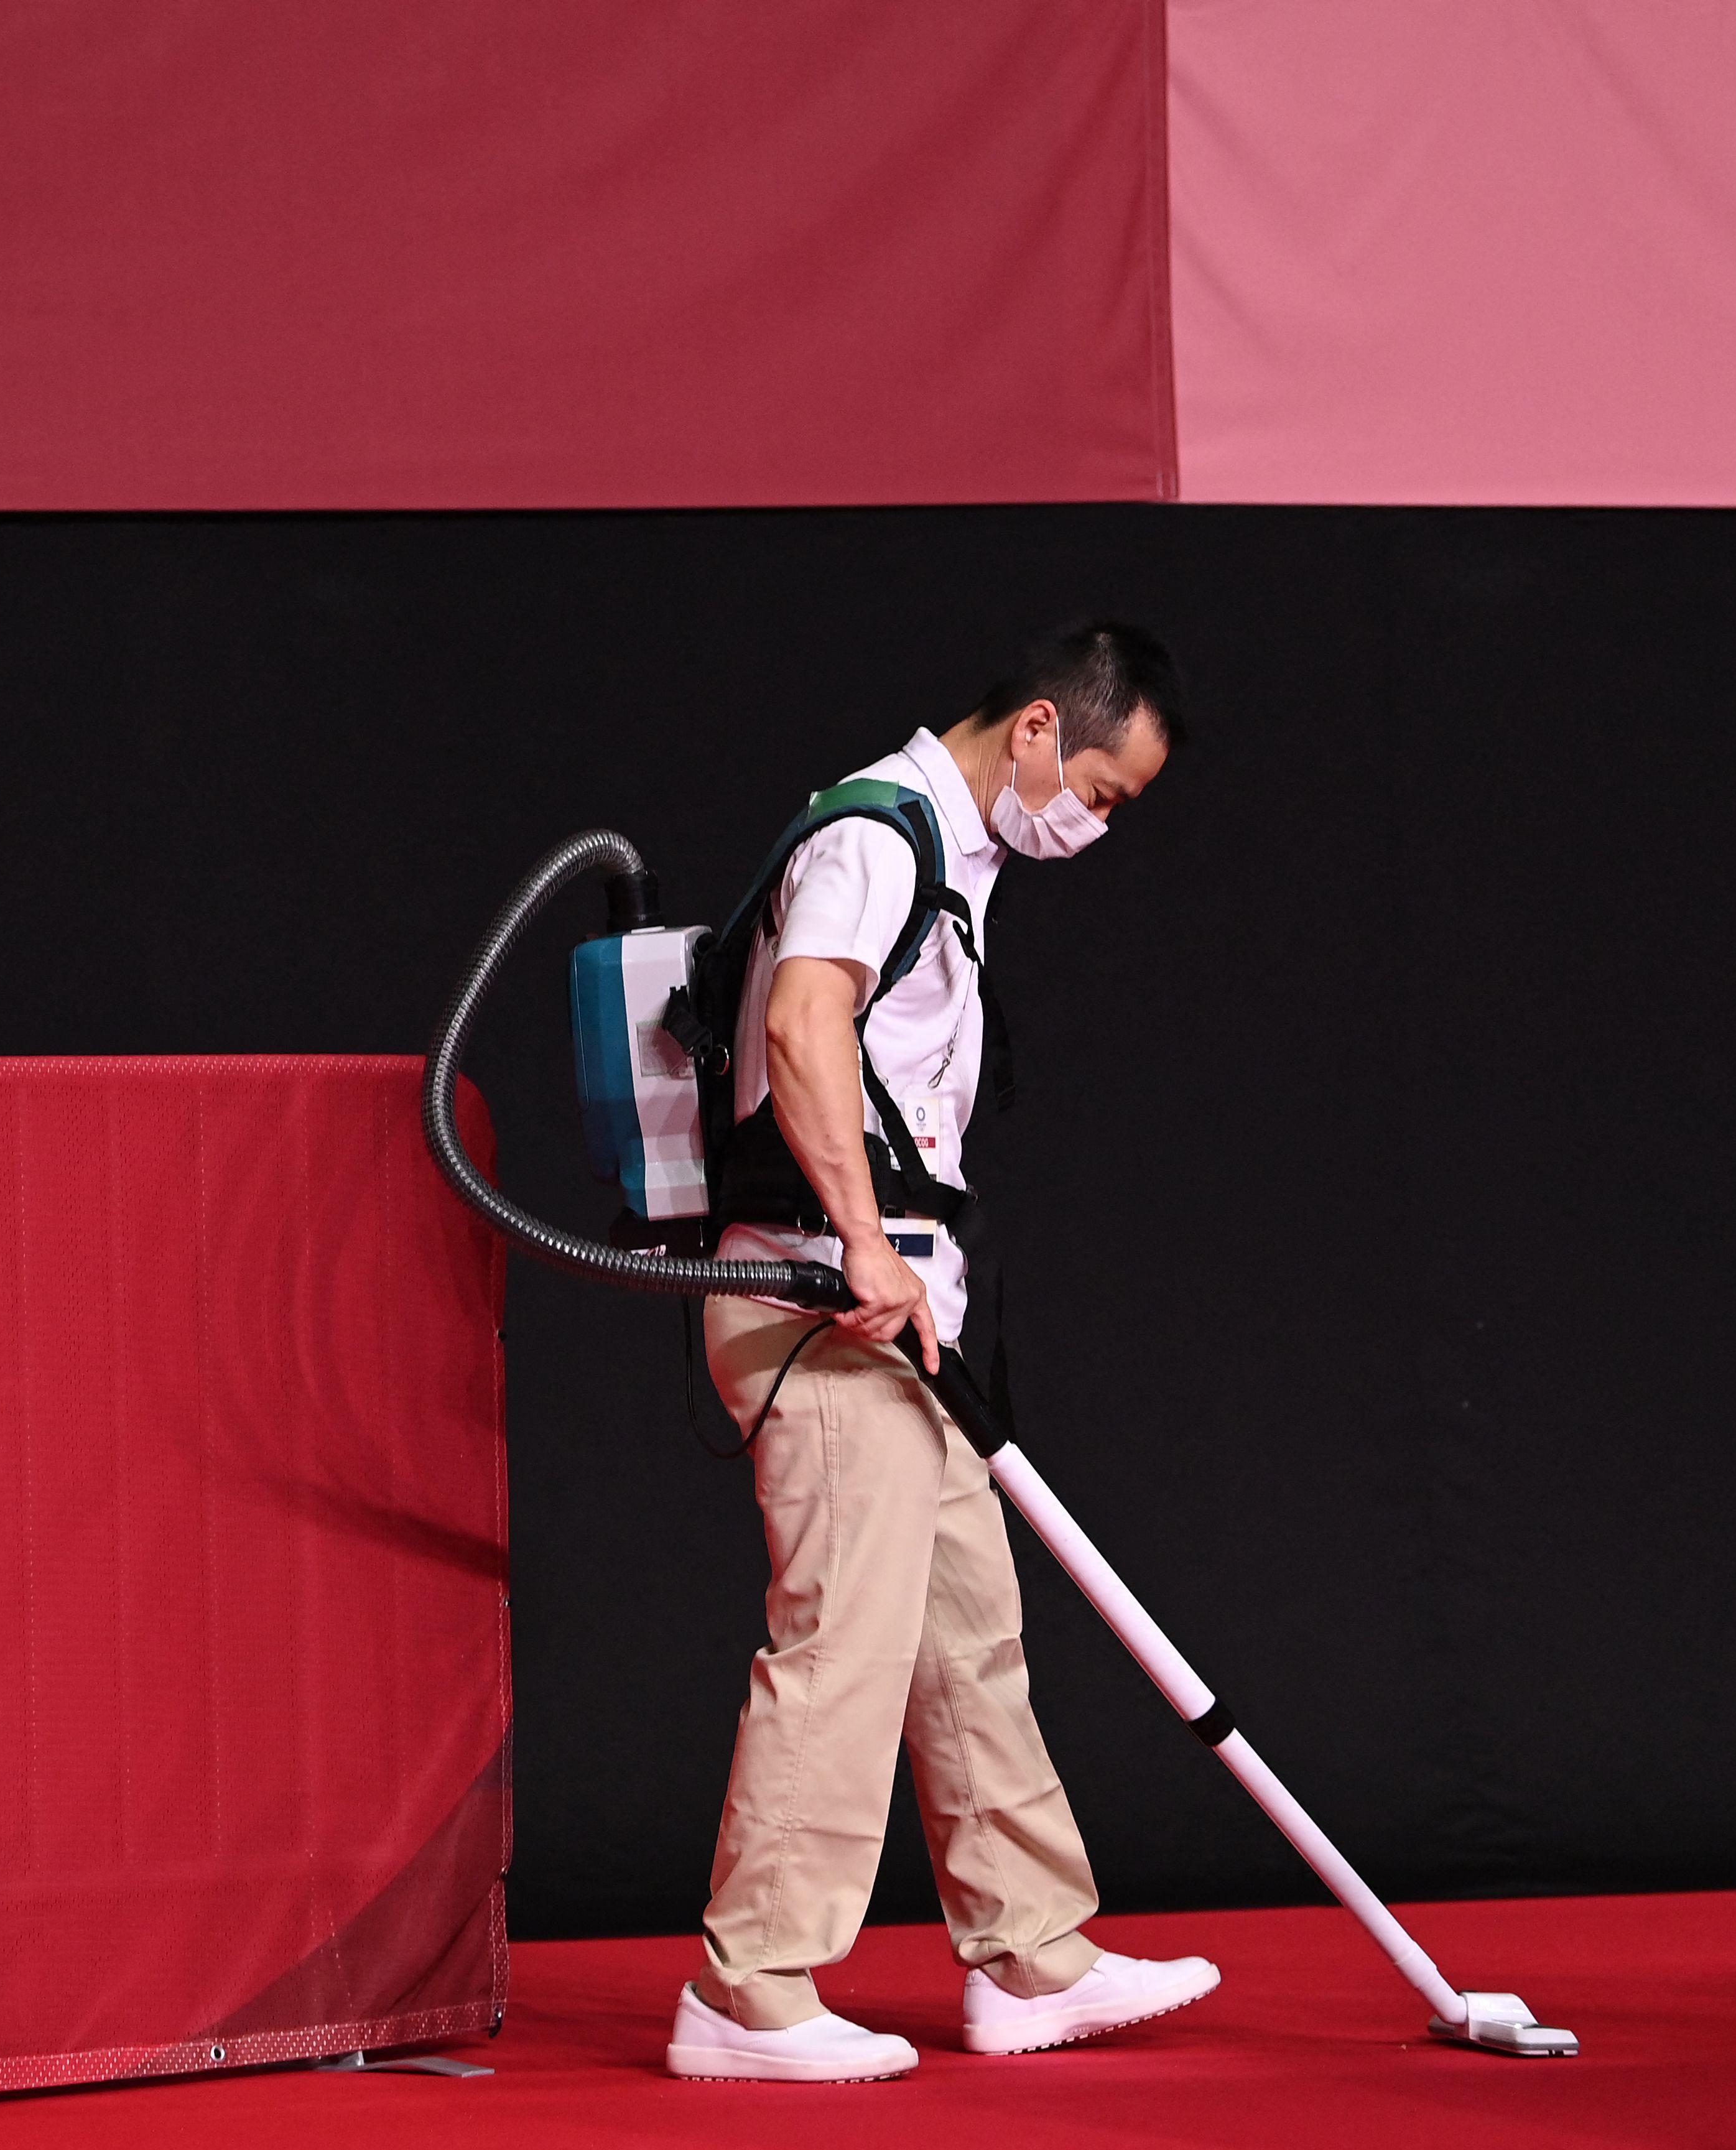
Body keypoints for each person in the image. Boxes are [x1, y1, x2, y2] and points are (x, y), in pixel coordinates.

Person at [664, 621, 1220, 2083]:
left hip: (901, 1306)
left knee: (967, 1631)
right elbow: (802, 1020)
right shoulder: (878, 835)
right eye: (1099, 791)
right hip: (821, 1303)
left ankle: (1031, 1951)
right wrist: (856, 1235)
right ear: (1038, 727)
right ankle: (752, 1982)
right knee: (841, 1634)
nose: (1091, 826)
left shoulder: (954, 869)